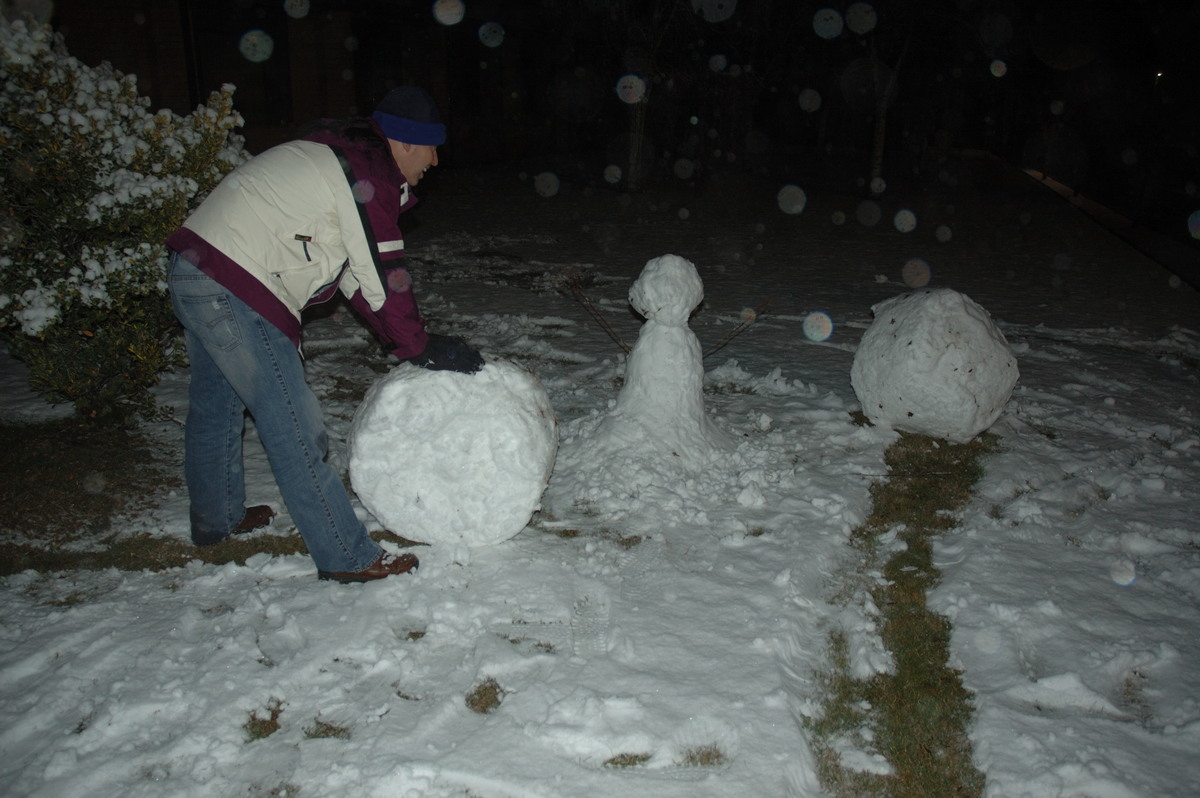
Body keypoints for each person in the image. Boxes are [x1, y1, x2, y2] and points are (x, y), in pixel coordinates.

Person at [165, 86, 482, 583]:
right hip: (236, 281)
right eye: (431, 146)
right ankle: (346, 555)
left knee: (216, 404)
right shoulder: (367, 173)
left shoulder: (346, 158)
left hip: (196, 267)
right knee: (292, 421)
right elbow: (383, 269)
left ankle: (216, 521)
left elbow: (357, 276)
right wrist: (419, 344)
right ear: (403, 142)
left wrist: (407, 341)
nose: (436, 160)